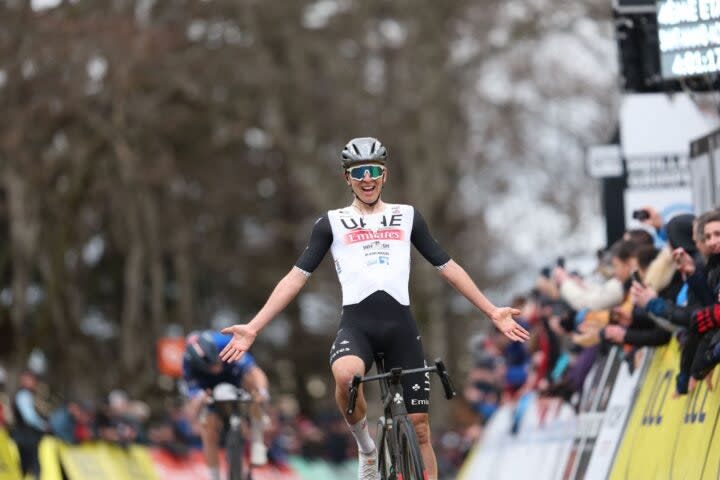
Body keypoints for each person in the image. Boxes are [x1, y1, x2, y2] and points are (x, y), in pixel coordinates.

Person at [218, 137, 530, 480]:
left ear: (385, 175)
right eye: (358, 172)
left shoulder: (407, 216)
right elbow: (295, 278)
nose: (366, 178)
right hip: (358, 326)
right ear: (347, 179)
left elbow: (447, 266)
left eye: (373, 171)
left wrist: (491, 311)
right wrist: (254, 326)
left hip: (401, 327)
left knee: (421, 428)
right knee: (345, 377)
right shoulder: (331, 223)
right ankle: (367, 448)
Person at [182, 330, 270, 480]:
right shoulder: (188, 364)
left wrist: (262, 393)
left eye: (215, 364)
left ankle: (257, 432)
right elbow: (194, 398)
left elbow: (254, 371)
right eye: (211, 367)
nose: (216, 369)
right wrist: (199, 405)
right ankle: (214, 476)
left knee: (252, 384)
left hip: (233, 372)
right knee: (208, 430)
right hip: (209, 384)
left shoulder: (224, 342)